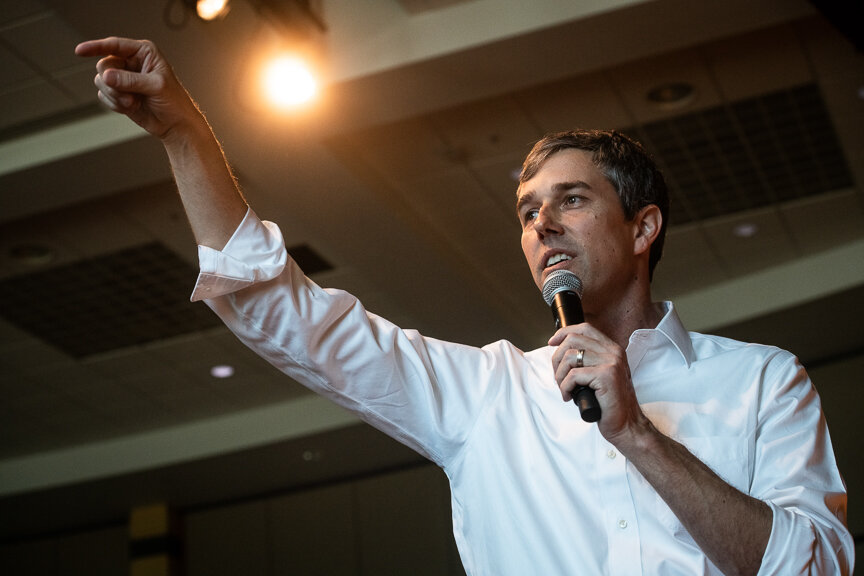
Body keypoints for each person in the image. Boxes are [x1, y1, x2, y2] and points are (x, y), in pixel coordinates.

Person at [75, 37, 853, 575]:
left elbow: (815, 568)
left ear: (643, 226)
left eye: (571, 200)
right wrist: (183, 134)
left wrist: (637, 436)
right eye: (526, 212)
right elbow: (287, 315)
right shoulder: (487, 395)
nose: (540, 223)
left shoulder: (762, 383)